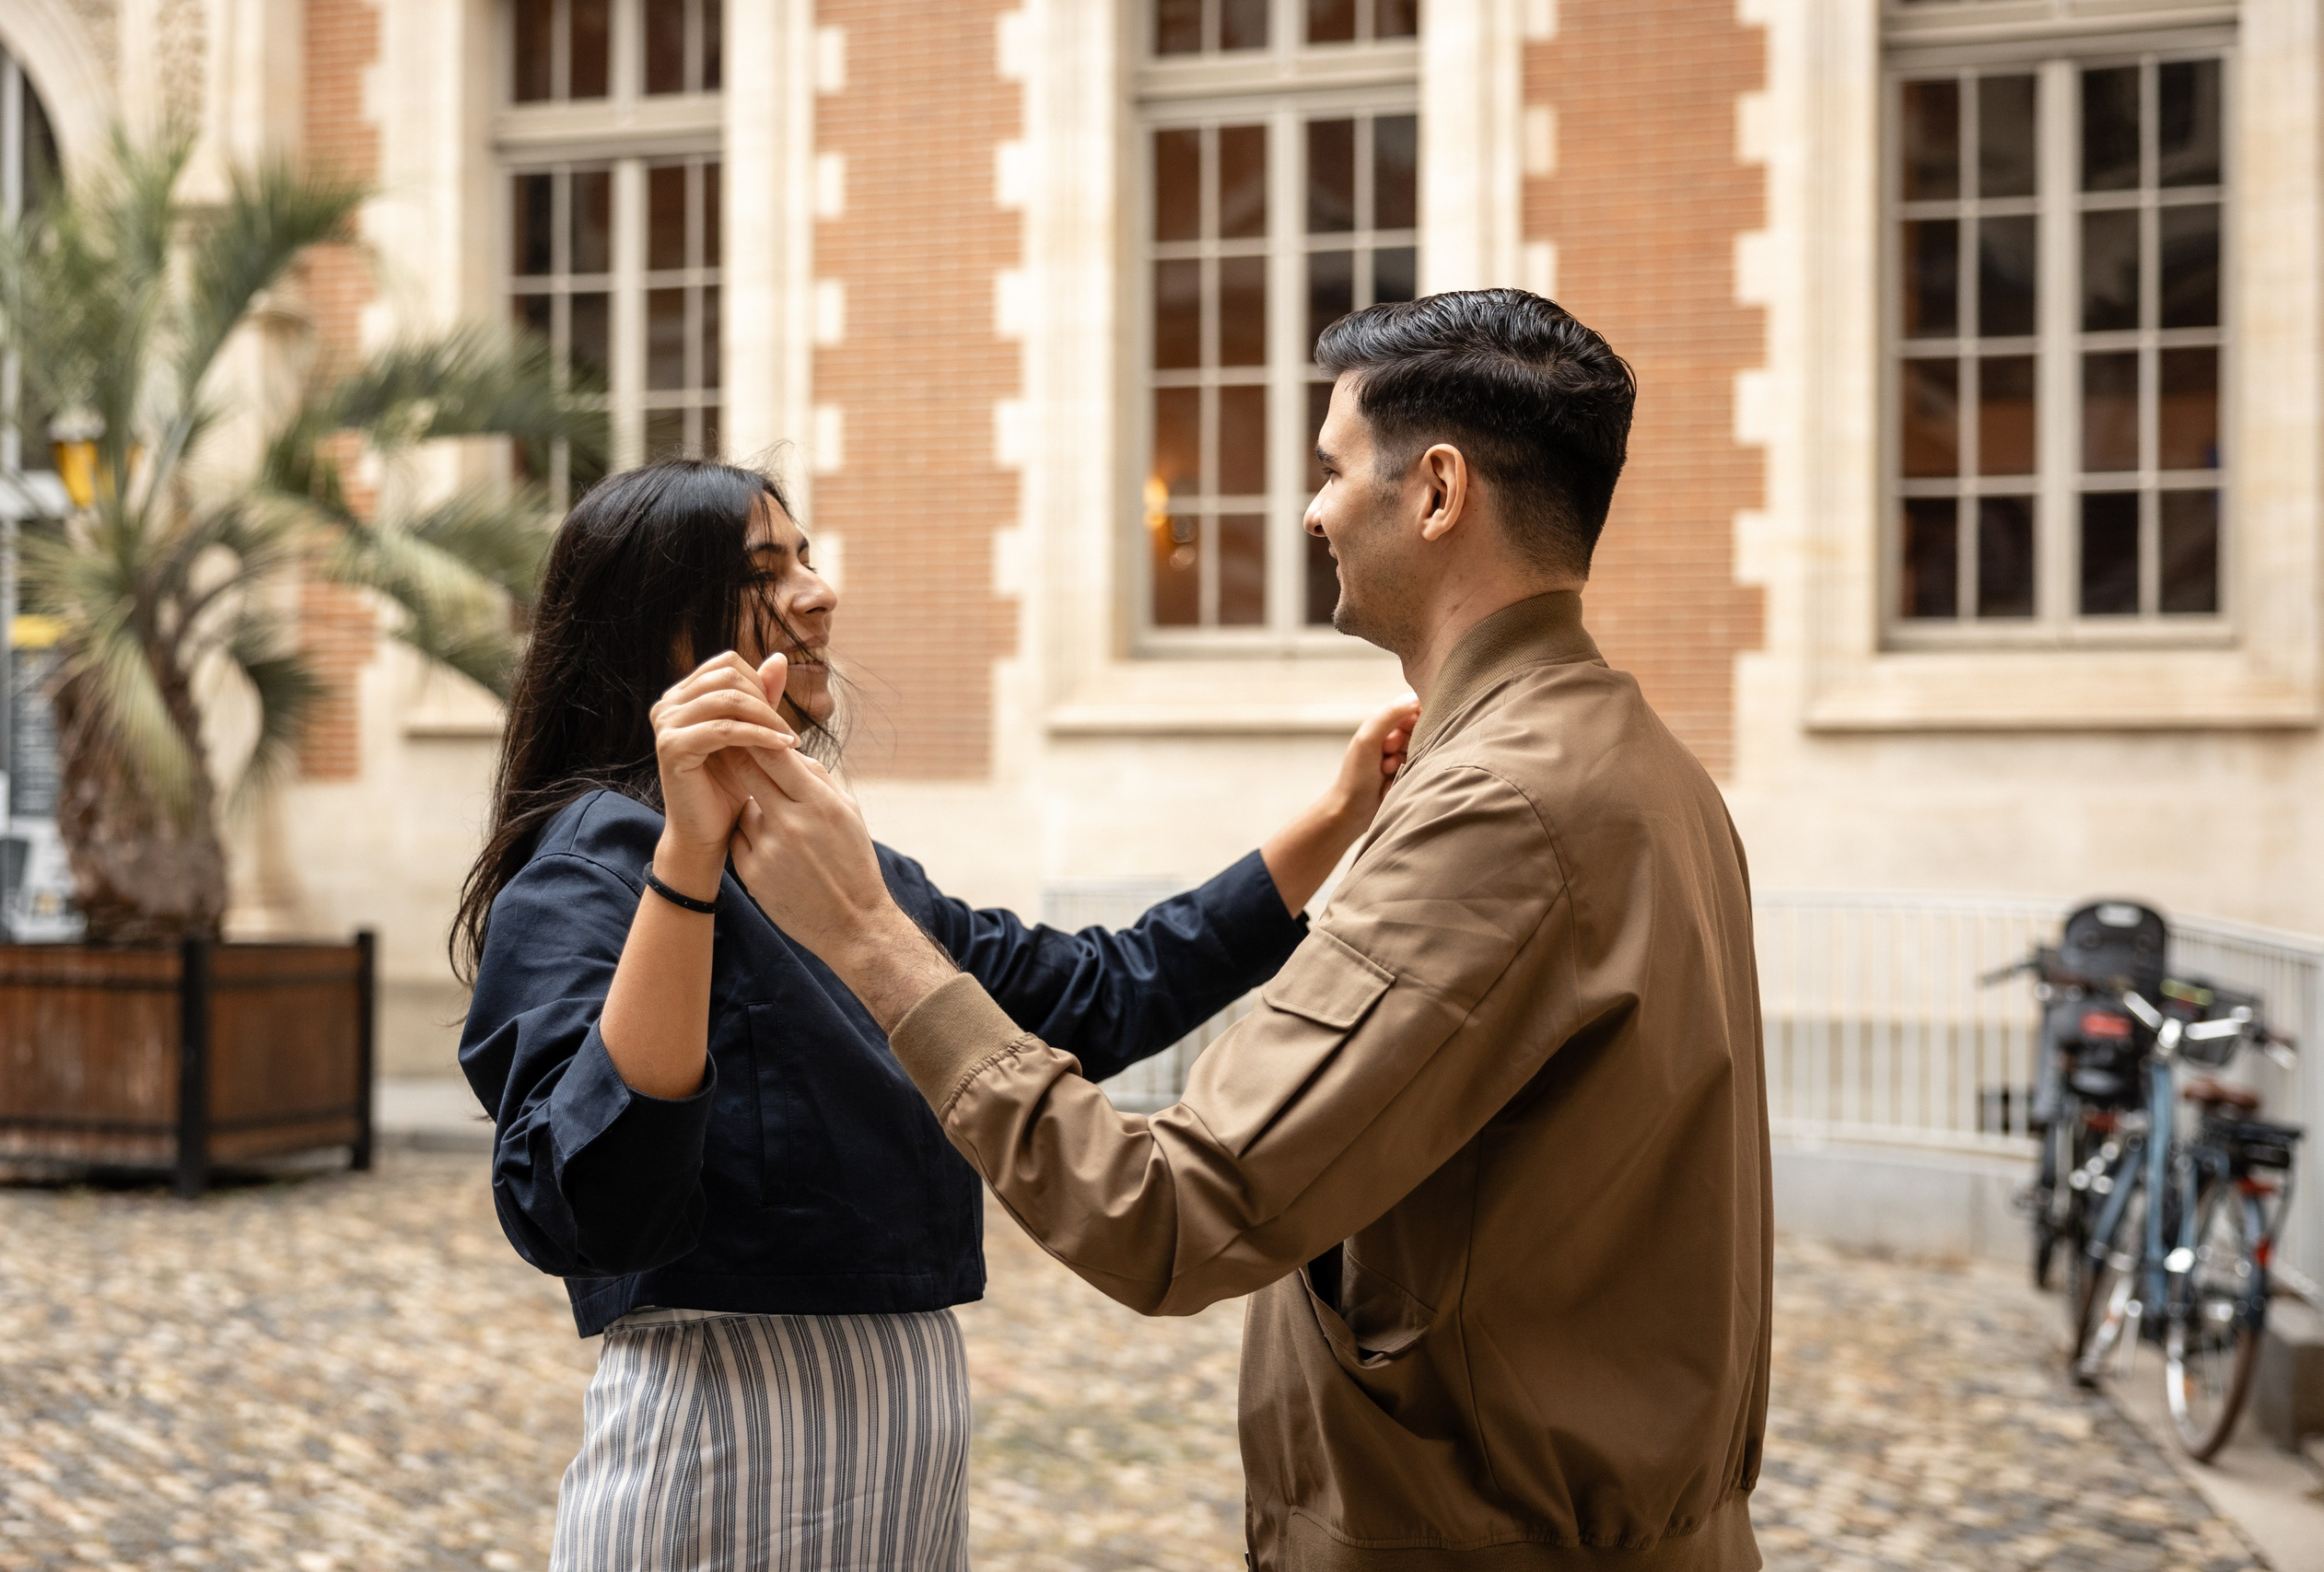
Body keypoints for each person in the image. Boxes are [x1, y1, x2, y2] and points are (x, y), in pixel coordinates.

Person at [726, 291, 1774, 1570]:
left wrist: (868, 936)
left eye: (1330, 469)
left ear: (1436, 491)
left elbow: (1170, 1212)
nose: (1311, 511)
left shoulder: (1502, 804)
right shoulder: (1643, 763)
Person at [451, 459, 1419, 1570]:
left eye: (807, 556)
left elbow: (1097, 992)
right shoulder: (591, 863)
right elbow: (586, 1205)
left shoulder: (845, 869)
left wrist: (1340, 816)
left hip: (900, 1446)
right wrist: (686, 859)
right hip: (724, 1449)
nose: (819, 592)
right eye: (767, 571)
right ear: (665, 633)